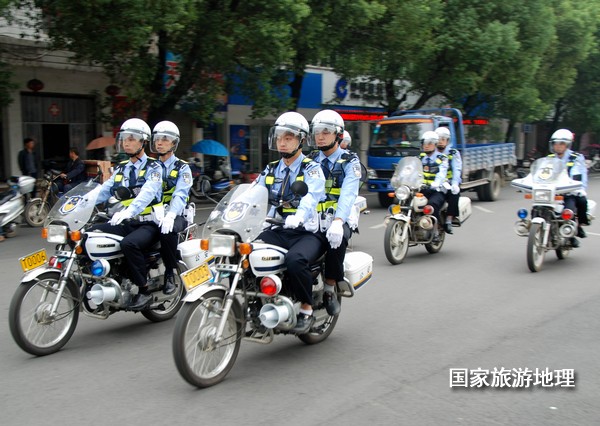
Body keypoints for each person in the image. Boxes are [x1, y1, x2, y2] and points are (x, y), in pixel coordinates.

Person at [255, 111, 326, 334]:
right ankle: (257, 302)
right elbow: (252, 194)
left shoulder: (312, 169)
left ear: (301, 140)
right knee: (245, 252)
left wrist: (299, 215)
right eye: (279, 138)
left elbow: (311, 196)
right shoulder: (270, 169)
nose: (282, 143)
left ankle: (306, 308)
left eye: (288, 138)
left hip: (307, 232)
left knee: (295, 260)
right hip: (278, 228)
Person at [91, 118, 163, 310]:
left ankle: (144, 290)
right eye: (124, 138)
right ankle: (102, 280)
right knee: (91, 233)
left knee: (128, 244)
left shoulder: (154, 168)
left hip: (149, 223)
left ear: (143, 142)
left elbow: (147, 194)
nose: (126, 142)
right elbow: (103, 190)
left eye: (132, 138)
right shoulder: (122, 168)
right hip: (126, 221)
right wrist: (78, 202)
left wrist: (129, 211)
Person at [309, 109, 361, 316]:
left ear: (338, 135)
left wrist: (339, 221)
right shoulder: (310, 159)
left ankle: (330, 288)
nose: (320, 136)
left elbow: (348, 194)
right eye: (317, 132)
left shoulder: (350, 161)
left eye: (326, 132)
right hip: (312, 218)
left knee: (336, 243)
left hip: (339, 217)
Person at [151, 121, 193, 295]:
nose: (159, 143)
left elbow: (180, 195)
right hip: (153, 213)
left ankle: (170, 272)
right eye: (157, 139)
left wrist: (170, 215)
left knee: (166, 231)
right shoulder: (150, 166)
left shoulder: (183, 168)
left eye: (165, 139)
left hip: (176, 215)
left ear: (174, 143)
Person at [547, 128, 589, 247]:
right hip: (551, 192)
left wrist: (576, 185)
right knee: (536, 207)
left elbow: (578, 173)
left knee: (570, 210)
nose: (558, 146)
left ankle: (575, 230)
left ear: (567, 145)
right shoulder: (549, 158)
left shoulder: (576, 158)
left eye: (561, 143)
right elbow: (541, 173)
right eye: (556, 143)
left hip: (568, 192)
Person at [419, 130, 449, 242]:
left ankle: (435, 232)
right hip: (422, 189)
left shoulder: (442, 158)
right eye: (424, 143)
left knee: (432, 205)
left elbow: (442, 173)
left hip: (437, 190)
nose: (426, 146)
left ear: (435, 144)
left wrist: (436, 183)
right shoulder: (419, 157)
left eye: (429, 143)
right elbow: (411, 169)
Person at [435, 127, 462, 234]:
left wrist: (455, 184)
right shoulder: (431, 152)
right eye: (439, 139)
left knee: (454, 194)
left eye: (443, 139)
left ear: (447, 140)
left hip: (448, 182)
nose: (441, 141)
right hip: (433, 182)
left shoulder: (453, 153)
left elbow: (457, 169)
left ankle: (449, 220)